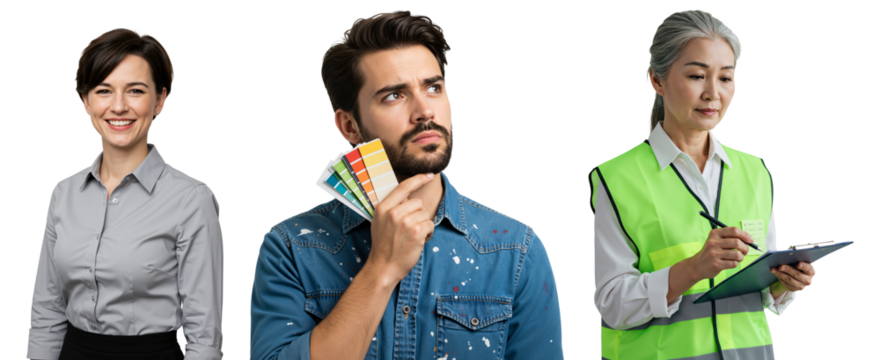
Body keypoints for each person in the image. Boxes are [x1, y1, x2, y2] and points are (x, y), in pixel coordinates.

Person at [248, 10, 565, 360]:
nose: (423, 111)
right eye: (394, 96)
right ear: (349, 126)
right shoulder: (291, 249)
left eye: (433, 88)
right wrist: (381, 269)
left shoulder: (516, 251)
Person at [591, 9, 817, 360]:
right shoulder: (615, 177)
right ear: (657, 80)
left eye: (726, 78)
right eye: (697, 75)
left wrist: (783, 282)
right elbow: (611, 305)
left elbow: (761, 291)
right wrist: (693, 269)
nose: (713, 93)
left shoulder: (755, 171)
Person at [25, 27, 225, 360]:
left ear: (159, 100)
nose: (118, 106)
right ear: (86, 102)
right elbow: (47, 311)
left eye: (135, 91)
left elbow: (204, 332)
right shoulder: (63, 194)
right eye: (104, 91)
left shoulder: (192, 199)